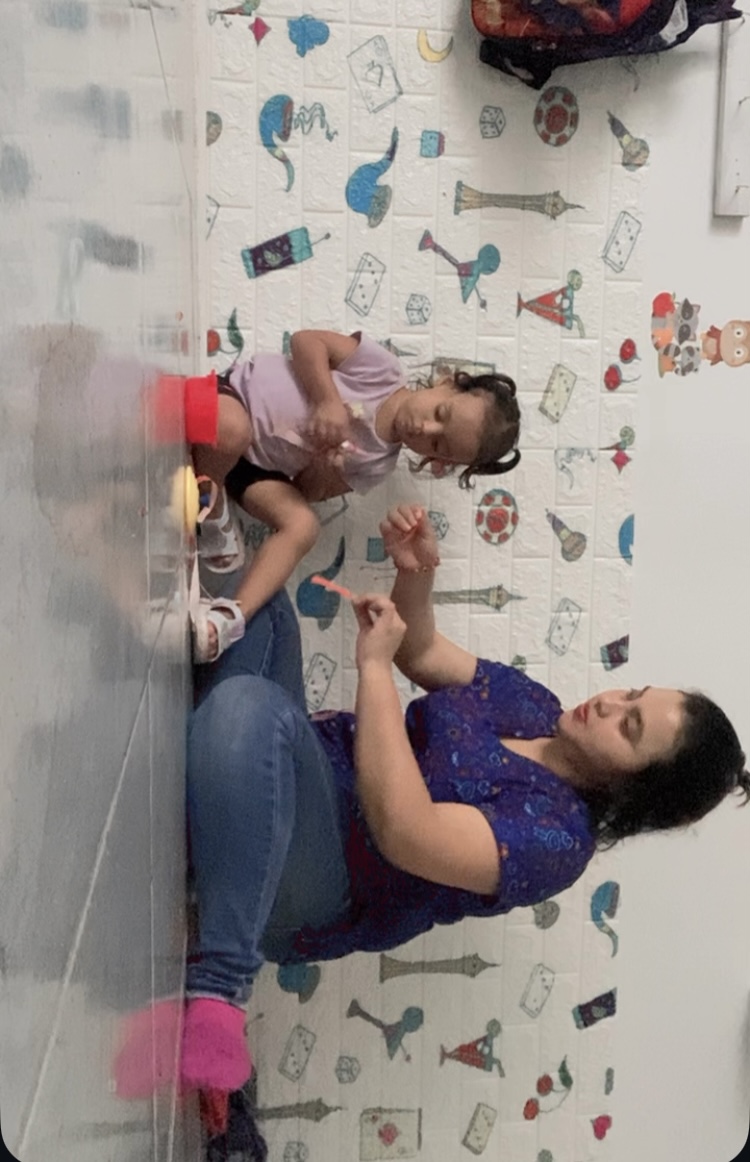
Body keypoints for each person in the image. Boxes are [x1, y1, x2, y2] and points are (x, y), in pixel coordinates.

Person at [180, 503, 749, 1110]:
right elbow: (422, 651)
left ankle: (220, 985)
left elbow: (404, 830)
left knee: (249, 712)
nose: (609, 704)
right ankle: (209, 803)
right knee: (263, 610)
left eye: (629, 727)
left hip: (325, 881)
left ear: (634, 790)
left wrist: (373, 668)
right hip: (311, 767)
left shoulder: (559, 841)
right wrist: (415, 573)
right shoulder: (537, 707)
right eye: (631, 694)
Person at [190, 330, 521, 662]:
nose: (425, 429)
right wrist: (327, 400)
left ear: (437, 460)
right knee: (231, 429)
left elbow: (304, 491)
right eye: (440, 413)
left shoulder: (378, 464)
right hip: (236, 398)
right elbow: (305, 341)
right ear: (446, 383)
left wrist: (323, 466)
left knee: (304, 526)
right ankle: (214, 509)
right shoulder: (383, 371)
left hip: (256, 468)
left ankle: (228, 619)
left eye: (437, 444)